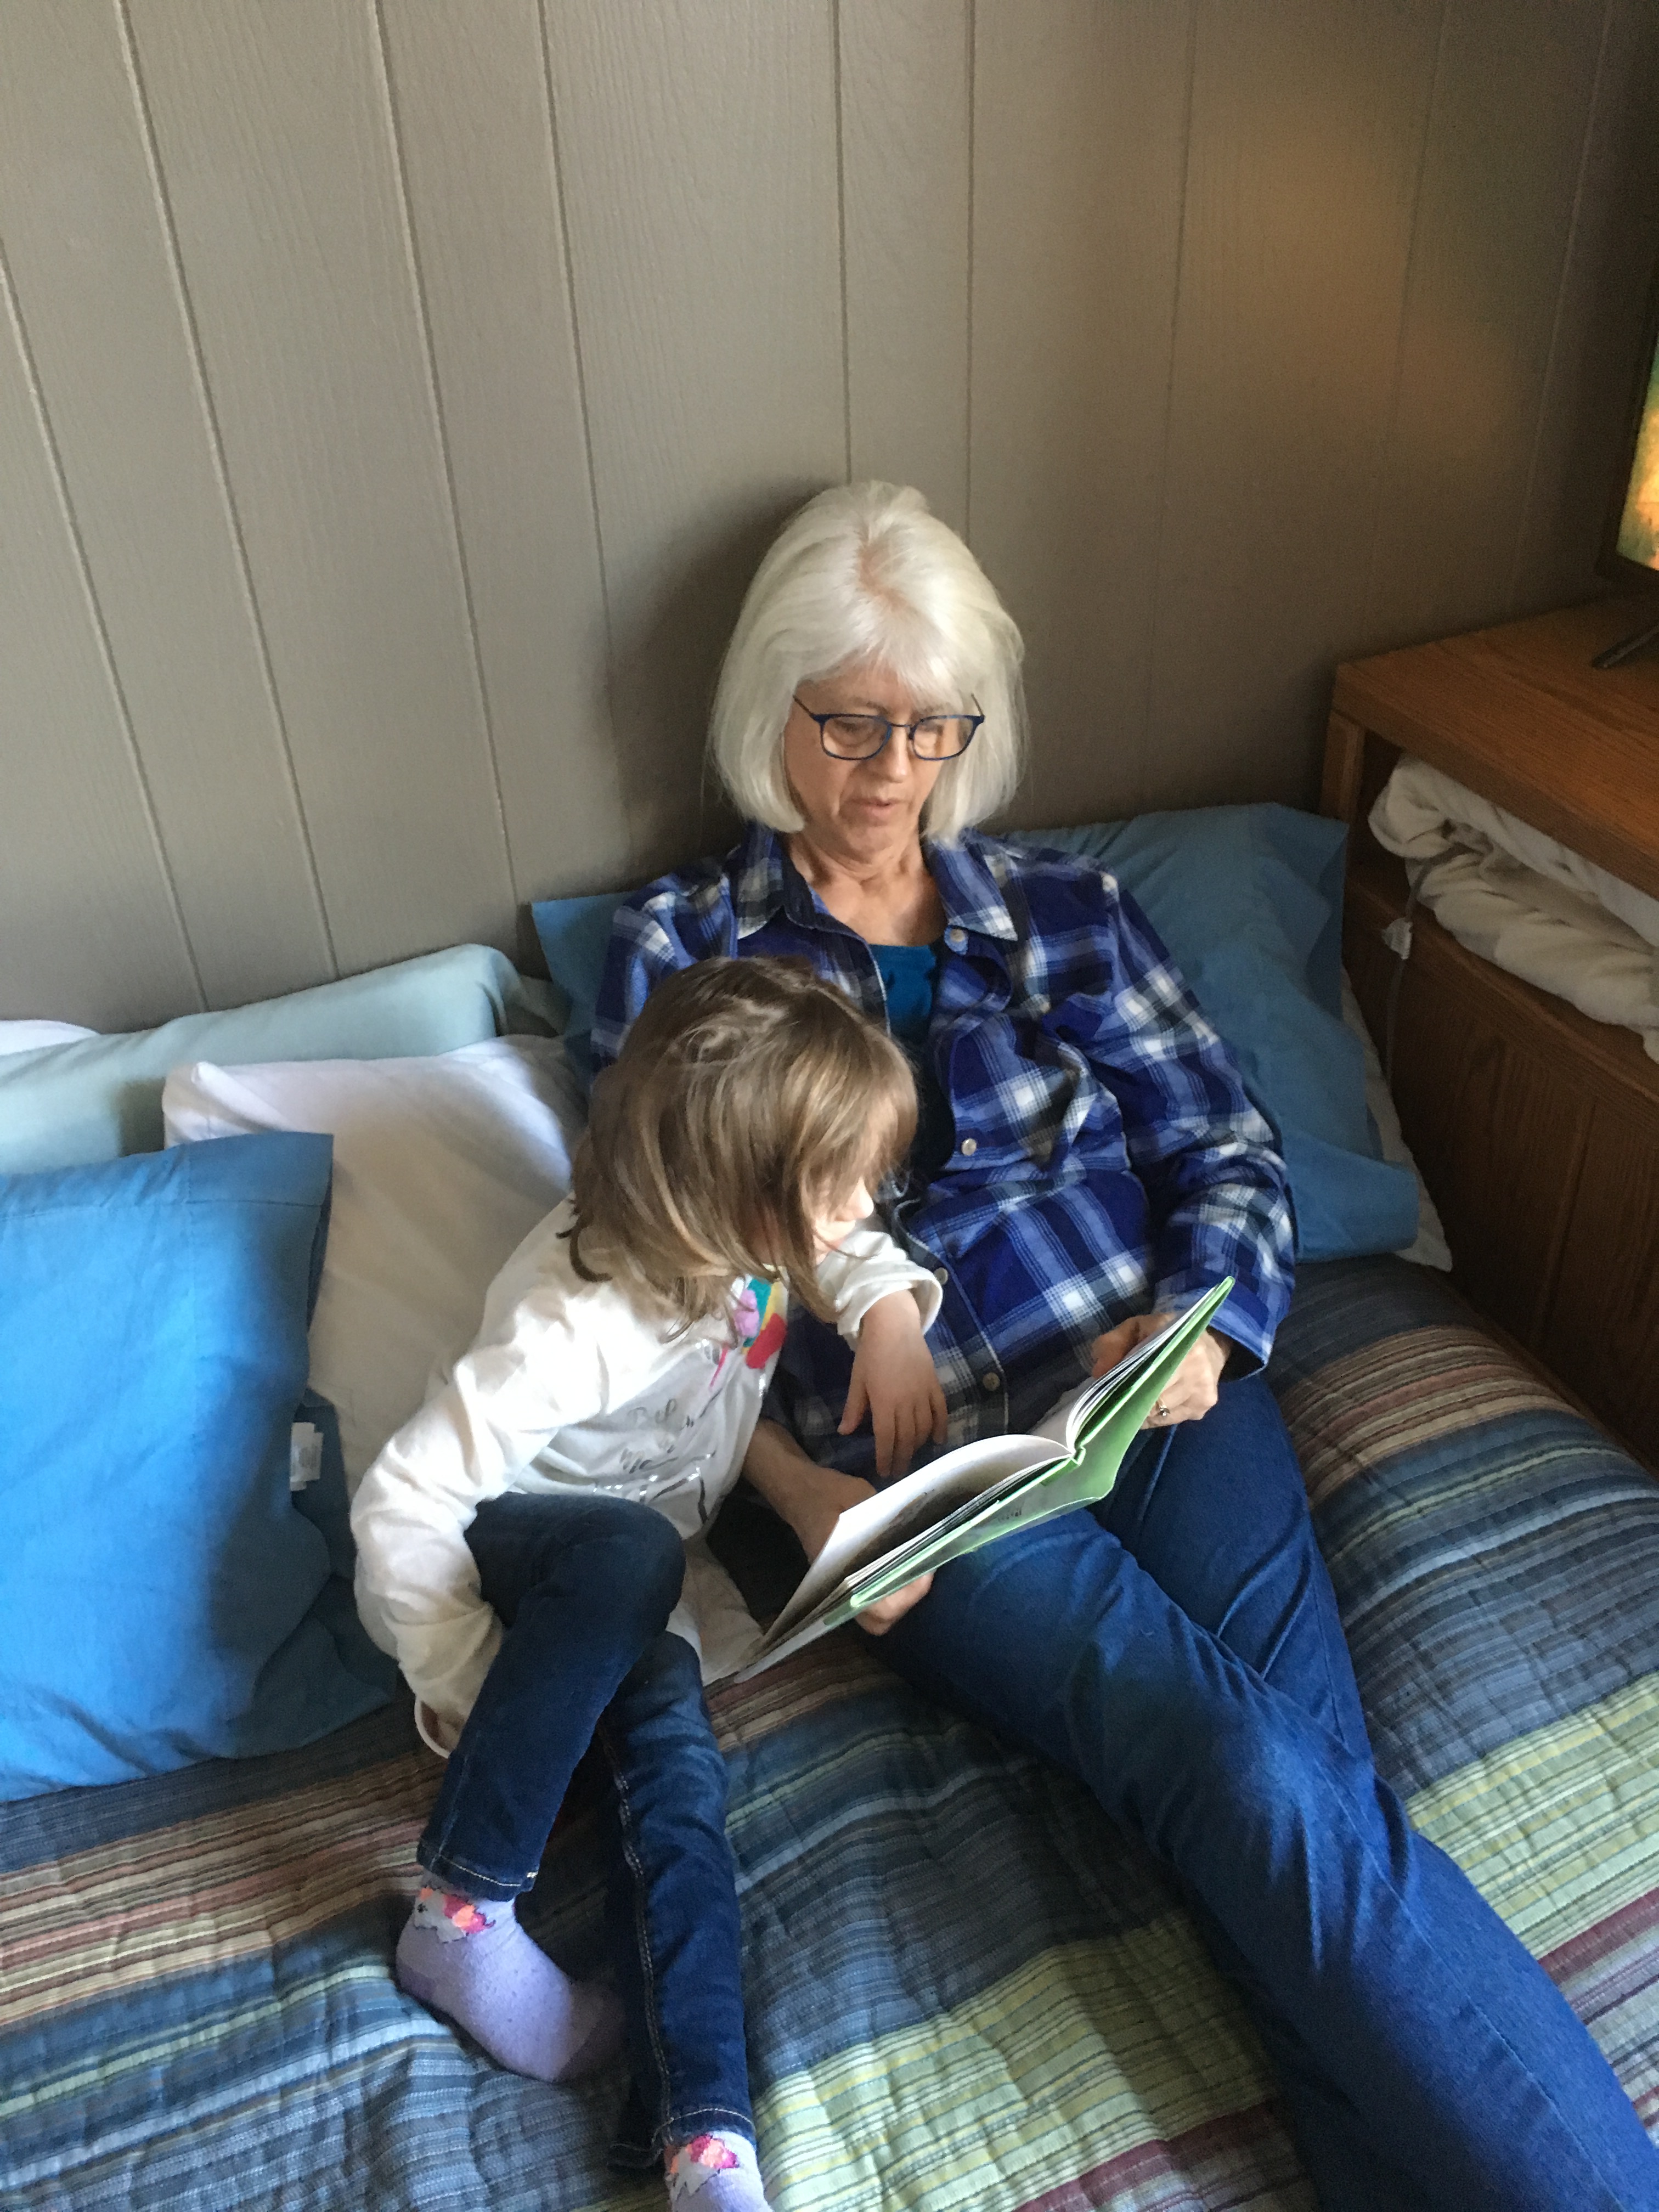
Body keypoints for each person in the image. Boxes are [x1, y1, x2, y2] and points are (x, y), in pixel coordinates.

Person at [591, 481, 1659, 2210]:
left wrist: (1205, 1318)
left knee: (1298, 1776)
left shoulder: (1068, 909)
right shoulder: (681, 955)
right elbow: (663, 1293)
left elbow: (1226, 1147)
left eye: (933, 728)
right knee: (1251, 1771)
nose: (891, 773)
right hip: (928, 1488)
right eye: (849, 724)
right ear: (767, 710)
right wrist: (796, 1500)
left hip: (1152, 1394)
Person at [351, 956, 945, 2212]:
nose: (858, 1209)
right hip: (524, 1556)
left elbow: (841, 1250)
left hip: (647, 1570)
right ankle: (462, 1909)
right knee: (627, 1552)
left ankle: (708, 2148)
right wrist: (476, 1684)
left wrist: (890, 1314)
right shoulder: (577, 1318)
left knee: (681, 1794)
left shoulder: (750, 1241)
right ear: (729, 1188)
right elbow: (404, 1504)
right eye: (833, 1185)